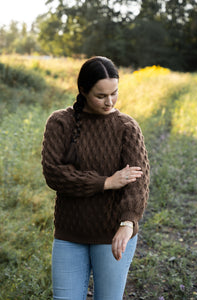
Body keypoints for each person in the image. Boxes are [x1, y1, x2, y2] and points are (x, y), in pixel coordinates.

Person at [41, 56, 150, 300]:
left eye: (114, 93)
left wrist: (127, 223)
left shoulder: (127, 127)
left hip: (113, 233)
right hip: (70, 234)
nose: (109, 101)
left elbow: (138, 183)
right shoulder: (60, 122)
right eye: (101, 95)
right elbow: (54, 174)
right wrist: (106, 182)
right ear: (83, 90)